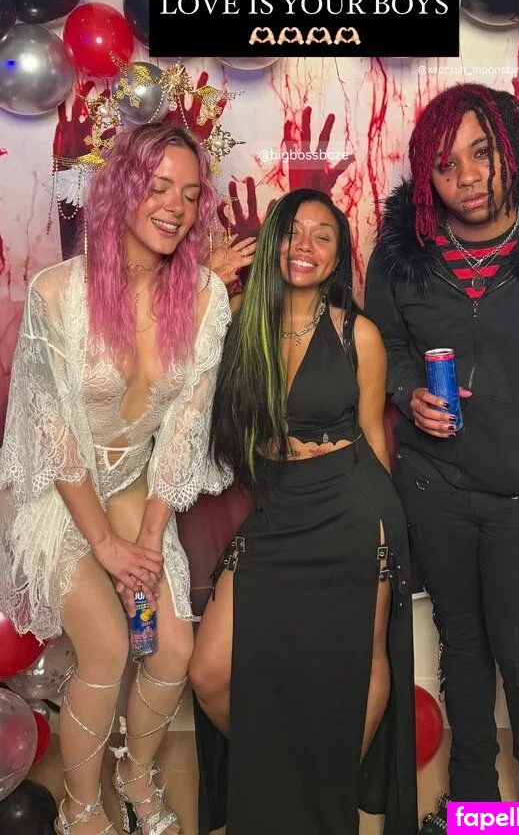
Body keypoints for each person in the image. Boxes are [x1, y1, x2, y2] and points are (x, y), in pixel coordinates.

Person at [364, 82, 519, 829]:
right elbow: (385, 342)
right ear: (426, 177)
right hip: (433, 483)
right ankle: (471, 802)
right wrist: (407, 390)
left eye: (482, 154)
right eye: (445, 165)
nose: (467, 177)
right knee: (462, 645)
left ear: (513, 152)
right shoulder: (404, 251)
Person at [0, 122, 234, 835]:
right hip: (54, 490)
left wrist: (149, 542)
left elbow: (185, 430)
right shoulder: (56, 292)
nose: (175, 207)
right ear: (122, 190)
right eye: (158, 187)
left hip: (135, 485)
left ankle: (135, 776)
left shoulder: (204, 297)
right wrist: (105, 547)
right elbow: (52, 433)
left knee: (173, 647)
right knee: (105, 646)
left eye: (189, 195)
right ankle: (79, 808)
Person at [188, 189, 418, 835]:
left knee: (361, 659)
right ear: (272, 244)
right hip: (279, 506)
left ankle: (327, 786)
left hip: (353, 507)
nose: (306, 246)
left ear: (338, 257)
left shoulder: (356, 334)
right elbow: (170, 370)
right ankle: (280, 776)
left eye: (323, 235)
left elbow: (373, 436)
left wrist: (387, 530)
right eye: (293, 231)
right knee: (209, 670)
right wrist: (208, 284)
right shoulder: (234, 321)